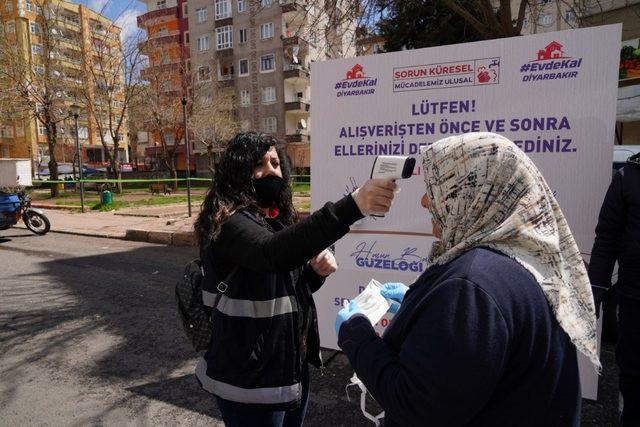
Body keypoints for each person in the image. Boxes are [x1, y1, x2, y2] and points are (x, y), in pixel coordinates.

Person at [335, 132, 599, 426]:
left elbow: (418, 407)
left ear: (475, 195)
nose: (425, 202)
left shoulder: (472, 286)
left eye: (437, 190)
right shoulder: (522, 261)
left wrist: (356, 335)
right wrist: (420, 306)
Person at [193, 132, 396, 427]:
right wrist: (353, 205)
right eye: (258, 164)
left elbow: (285, 287)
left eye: (275, 162)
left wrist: (314, 273)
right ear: (237, 170)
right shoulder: (228, 223)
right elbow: (270, 254)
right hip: (247, 380)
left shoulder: (275, 220)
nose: (271, 170)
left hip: (287, 369)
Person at [589, 152, 640, 426]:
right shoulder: (628, 176)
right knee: (633, 374)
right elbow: (607, 236)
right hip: (635, 299)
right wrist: (595, 288)